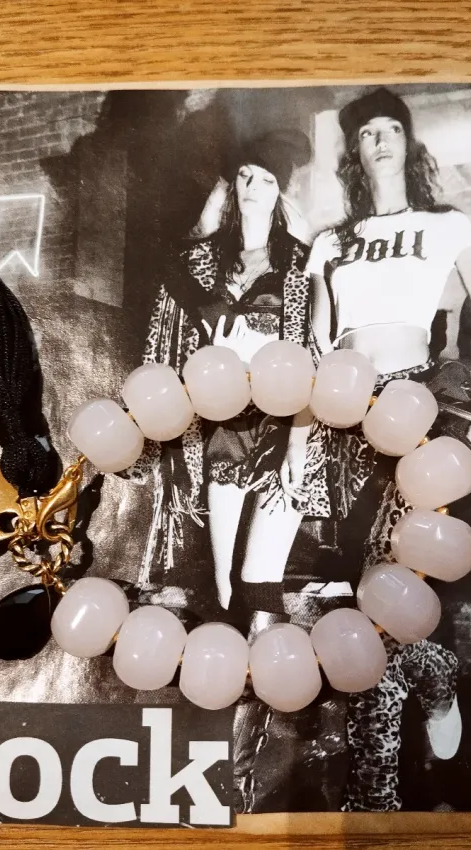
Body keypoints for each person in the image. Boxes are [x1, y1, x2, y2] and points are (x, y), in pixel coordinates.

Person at [307, 87, 471, 811]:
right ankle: (437, 674)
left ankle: (374, 798)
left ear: (408, 142)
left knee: (382, 592)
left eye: (392, 128)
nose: (381, 140)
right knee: (366, 582)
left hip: (417, 406)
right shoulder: (331, 241)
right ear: (355, 153)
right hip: (346, 415)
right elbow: (319, 340)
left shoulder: (446, 224)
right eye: (368, 132)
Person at [129, 130, 333, 635]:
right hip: (216, 420)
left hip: (284, 418)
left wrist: (295, 429)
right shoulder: (202, 260)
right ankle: (228, 633)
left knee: (257, 579)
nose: (252, 187)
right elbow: (169, 320)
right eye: (245, 176)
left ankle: (266, 653)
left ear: (281, 192)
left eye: (266, 180)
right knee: (221, 583)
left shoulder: (299, 263)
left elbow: (312, 353)